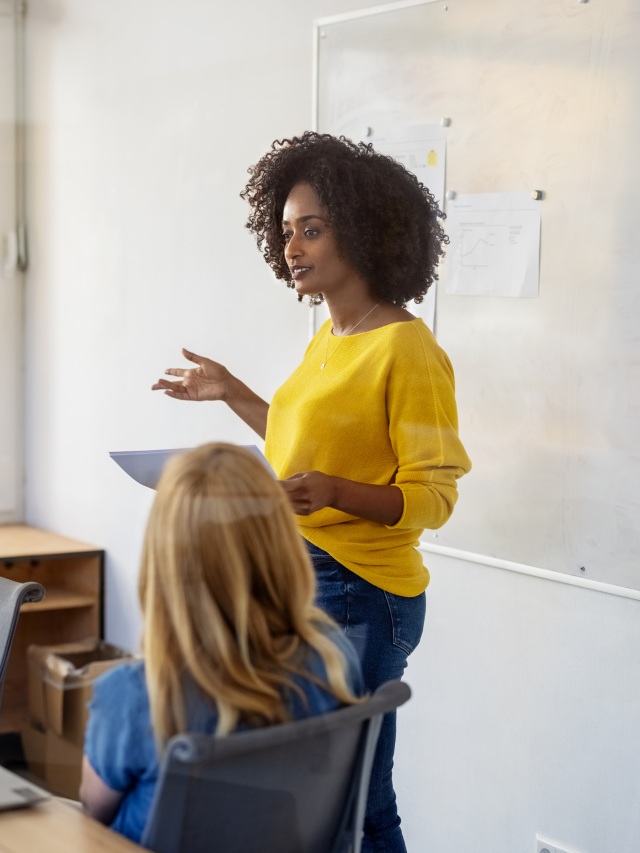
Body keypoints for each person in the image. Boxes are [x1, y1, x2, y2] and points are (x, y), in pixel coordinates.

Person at [152, 132, 472, 852]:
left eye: (313, 229)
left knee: (353, 798)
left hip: (363, 592)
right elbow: (302, 456)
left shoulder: (407, 350)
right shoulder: (330, 336)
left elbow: (433, 497)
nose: (292, 247)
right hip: (303, 577)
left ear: (361, 232)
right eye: (287, 230)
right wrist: (232, 392)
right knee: (315, 793)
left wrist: (331, 491)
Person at [80, 442, 363, 845]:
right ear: (280, 545)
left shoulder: (138, 694)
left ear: (164, 558)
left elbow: (93, 811)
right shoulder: (332, 657)